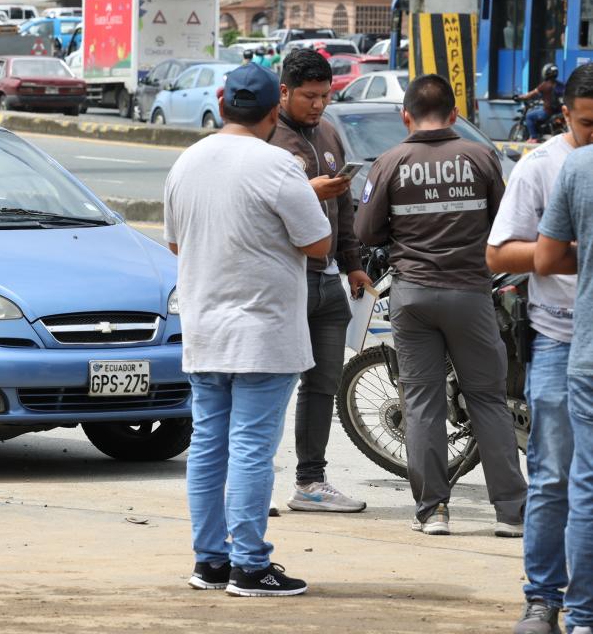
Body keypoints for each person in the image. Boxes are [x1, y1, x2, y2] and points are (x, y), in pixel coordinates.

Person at [165, 64, 331, 597]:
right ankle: (250, 564)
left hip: (205, 329)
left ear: (222, 103)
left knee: (210, 446)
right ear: (270, 111)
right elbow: (319, 244)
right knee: (253, 449)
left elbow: (174, 243)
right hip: (263, 333)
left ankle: (210, 561)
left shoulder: (186, 163)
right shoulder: (278, 164)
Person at [355, 74, 527, 537]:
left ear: (406, 116)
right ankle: (511, 514)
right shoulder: (482, 157)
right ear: (454, 115)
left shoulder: (390, 162)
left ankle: (433, 511)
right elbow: (503, 222)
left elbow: (367, 231)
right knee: (489, 401)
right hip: (470, 294)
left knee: (422, 404)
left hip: (412, 296)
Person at [489, 64, 593, 634]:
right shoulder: (543, 167)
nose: (592, 135)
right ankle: (543, 597)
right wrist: (565, 253)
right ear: (565, 115)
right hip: (557, 337)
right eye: (585, 124)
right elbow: (499, 255)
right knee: (554, 475)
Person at [270, 48, 369, 514]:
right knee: (267, 383)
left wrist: (352, 261)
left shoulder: (328, 133)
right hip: (285, 279)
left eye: (325, 96)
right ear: (284, 91)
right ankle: (250, 482)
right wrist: (310, 190)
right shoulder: (267, 137)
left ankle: (311, 481)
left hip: (329, 278)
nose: (318, 105)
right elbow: (262, 203)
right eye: (309, 96)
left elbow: (344, 207)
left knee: (323, 384)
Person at [517, 64, 564, 142]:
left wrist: (519, 97)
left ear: (546, 73)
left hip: (547, 112)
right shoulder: (560, 85)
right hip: (559, 111)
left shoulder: (544, 85)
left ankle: (534, 137)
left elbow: (530, 95)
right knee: (538, 109)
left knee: (529, 116)